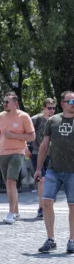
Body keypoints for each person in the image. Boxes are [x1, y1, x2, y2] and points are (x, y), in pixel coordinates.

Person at [35, 91, 74, 254]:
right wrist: (38, 168)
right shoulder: (53, 121)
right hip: (53, 169)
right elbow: (44, 145)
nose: (73, 104)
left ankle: (72, 241)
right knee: (46, 202)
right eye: (71, 101)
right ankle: (51, 239)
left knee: (73, 205)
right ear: (63, 103)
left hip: (73, 171)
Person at [0, 92, 35, 223]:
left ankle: (11, 213)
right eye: (4, 102)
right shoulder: (0, 116)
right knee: (9, 184)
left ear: (15, 104)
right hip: (3, 153)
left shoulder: (24, 116)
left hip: (18, 152)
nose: (4, 104)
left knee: (11, 181)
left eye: (7, 102)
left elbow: (32, 136)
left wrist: (13, 136)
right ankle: (16, 212)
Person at [31, 99, 56, 219]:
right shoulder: (36, 120)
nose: (52, 110)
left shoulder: (56, 120)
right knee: (41, 180)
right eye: (49, 108)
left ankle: (47, 205)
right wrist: (26, 148)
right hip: (37, 153)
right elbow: (26, 133)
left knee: (50, 181)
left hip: (53, 154)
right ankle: (41, 207)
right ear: (44, 108)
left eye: (54, 108)